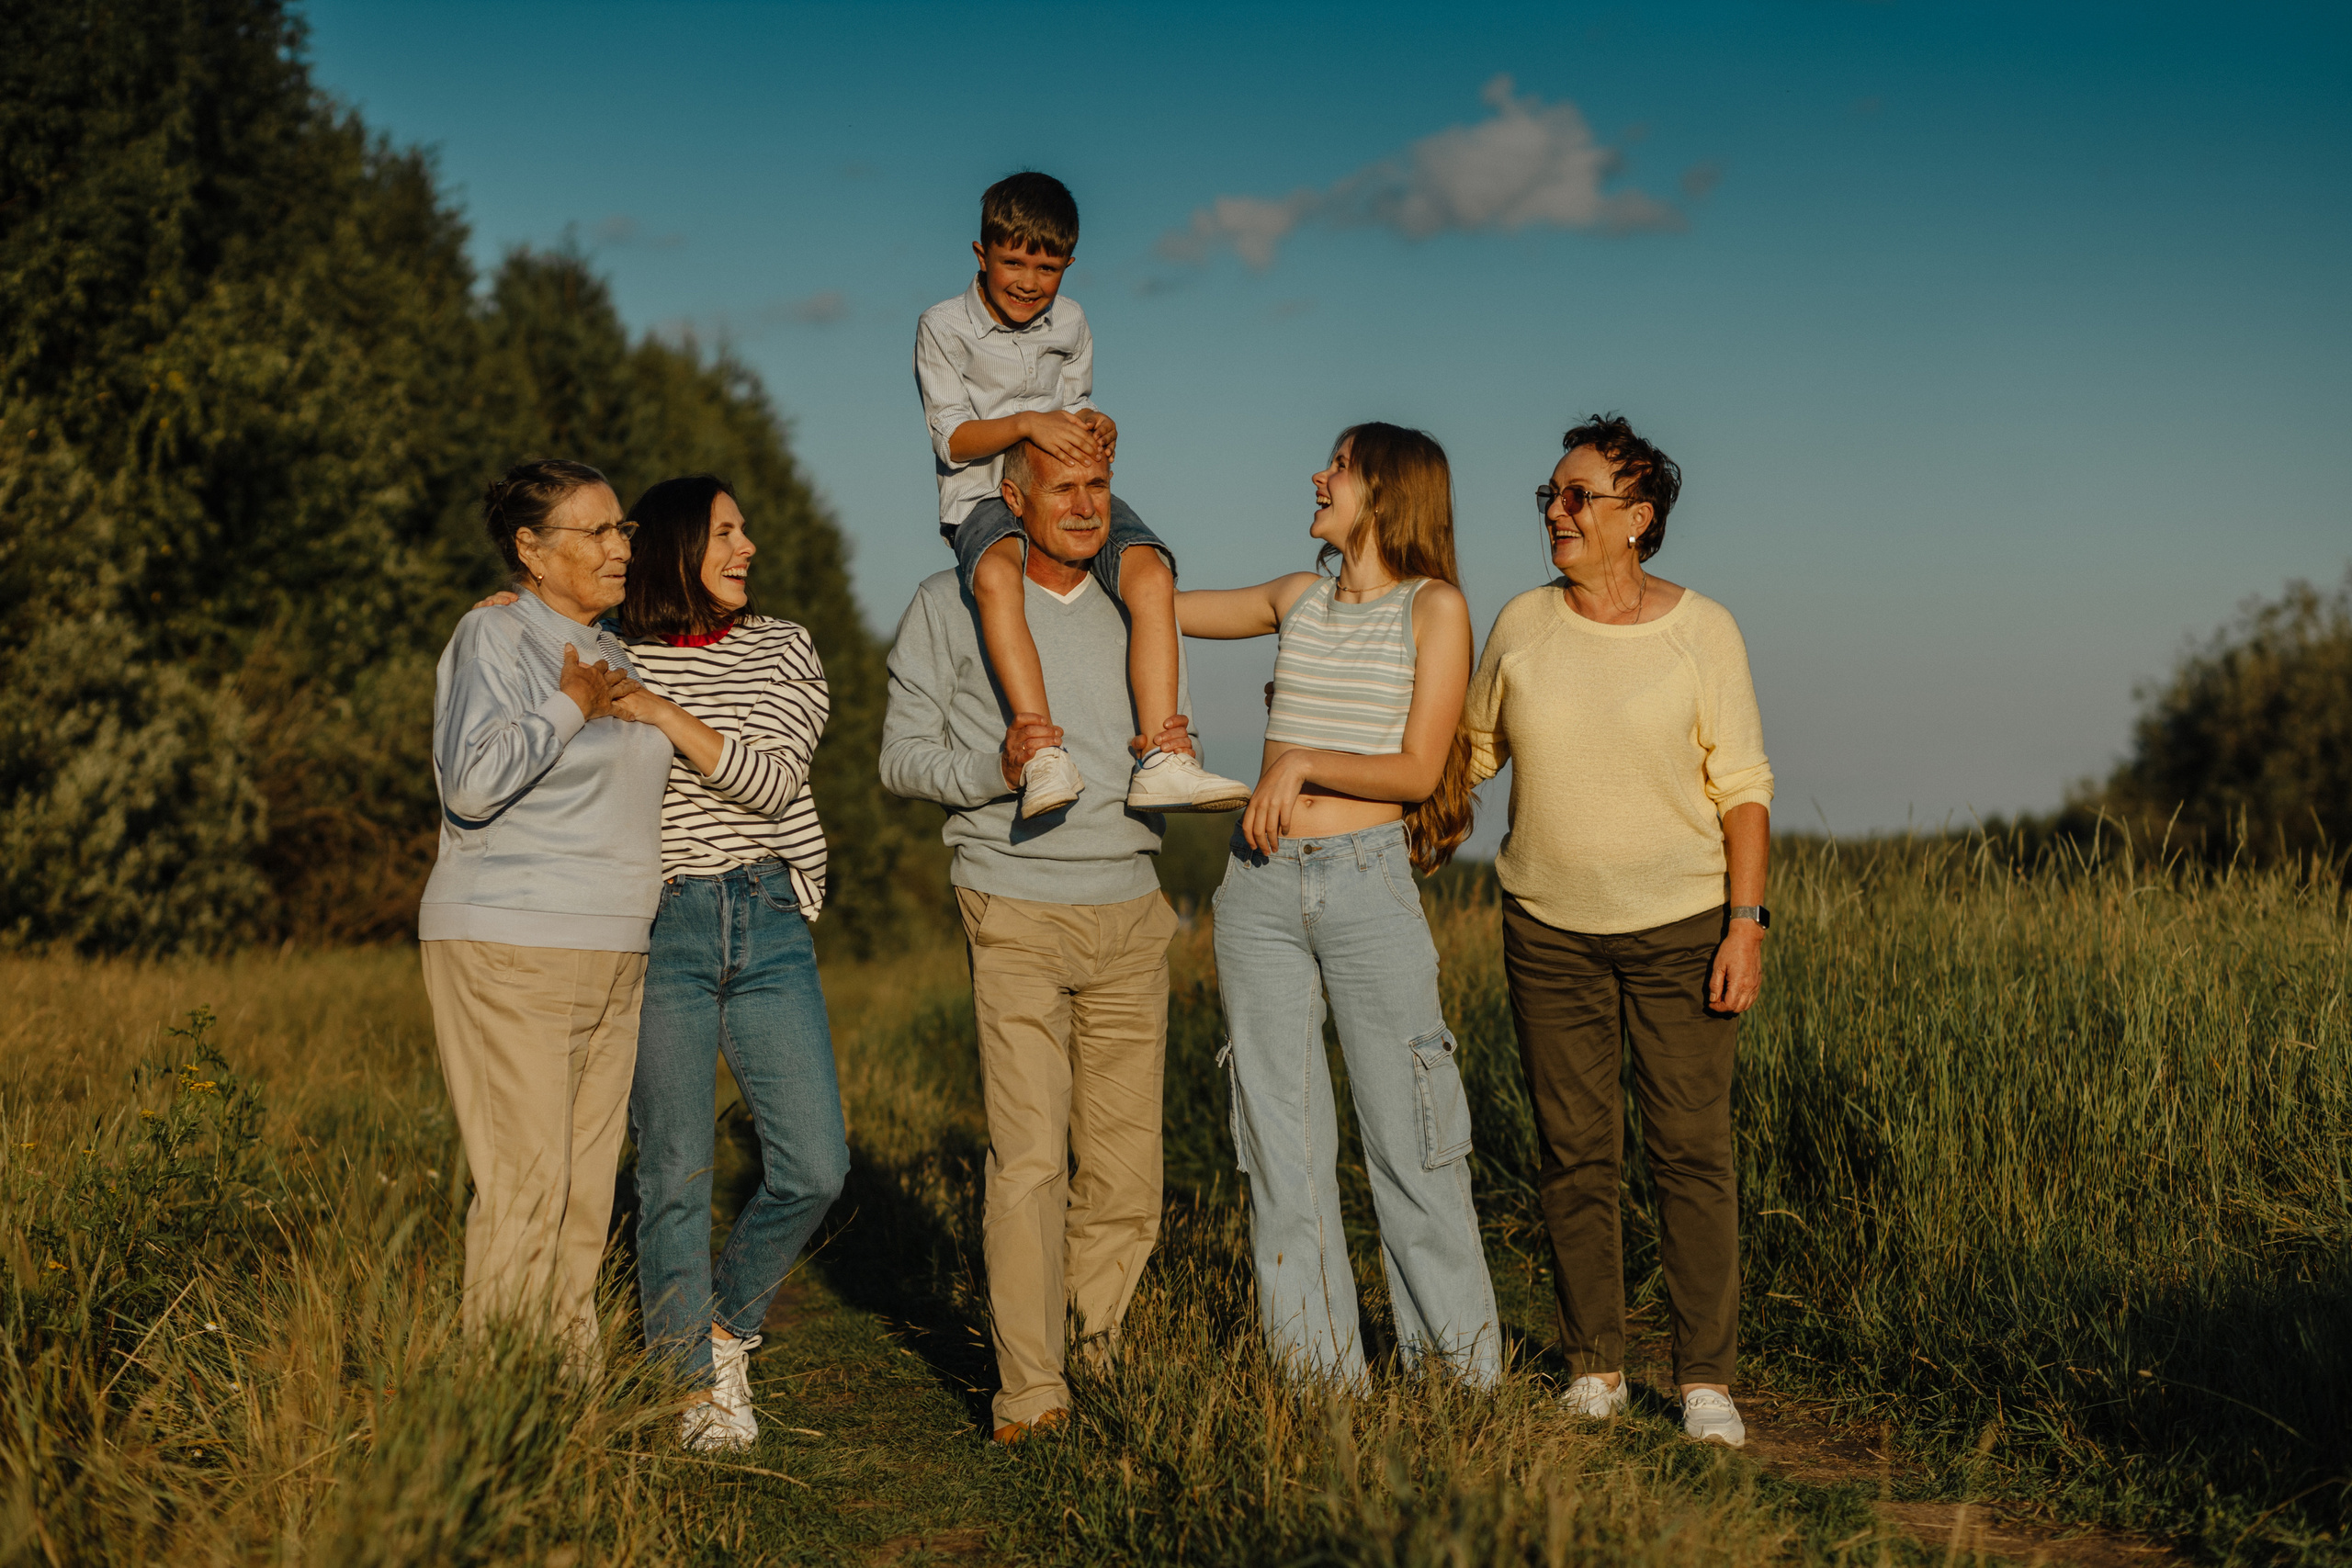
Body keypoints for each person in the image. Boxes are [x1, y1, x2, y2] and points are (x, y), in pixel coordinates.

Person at [1461, 414, 1773, 1448]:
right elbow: (1466, 754)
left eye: (1577, 496)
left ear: (1637, 517)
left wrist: (1745, 925)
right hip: (1547, 930)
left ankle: (1704, 1381)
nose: (1555, 511)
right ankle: (1593, 1364)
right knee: (1573, 1152)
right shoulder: (1522, 622)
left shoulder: (1705, 631)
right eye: (1549, 495)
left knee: (1689, 1152)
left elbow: (1743, 787)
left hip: (1683, 927)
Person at [1174, 423, 1500, 1388]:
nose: (1319, 476)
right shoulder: (1296, 597)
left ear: (1386, 491)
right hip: (1258, 886)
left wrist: (1301, 762)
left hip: (1366, 882)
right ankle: (1319, 1384)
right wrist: (1083, 531)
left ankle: (1460, 1381)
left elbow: (1417, 769)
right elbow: (1153, 600)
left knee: (1412, 1139)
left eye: (1341, 466)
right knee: (1281, 1148)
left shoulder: (1434, 607)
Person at [879, 435, 1188, 1444]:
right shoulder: (948, 603)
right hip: (1011, 903)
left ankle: (1097, 1358)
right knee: (1028, 1163)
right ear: (1013, 500)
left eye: (1100, 485)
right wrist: (996, 767)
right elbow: (900, 758)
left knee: (1127, 1171)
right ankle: (1031, 1393)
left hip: (1132, 905)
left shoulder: (1136, 600)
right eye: (1064, 487)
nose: (1087, 505)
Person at [605, 475, 849, 1454]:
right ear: (674, 547)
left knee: (816, 1164)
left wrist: (660, 715)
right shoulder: (612, 654)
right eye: (724, 532)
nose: (746, 546)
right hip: (659, 924)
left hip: (768, 914)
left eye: (744, 530)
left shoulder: (784, 647)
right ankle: (683, 1388)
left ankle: (724, 1326)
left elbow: (772, 779)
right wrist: (513, 608)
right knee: (672, 1170)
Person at [418, 458, 674, 1361]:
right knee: (526, 1191)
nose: (619, 547)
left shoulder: (616, 651)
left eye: (622, 529)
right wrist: (569, 705)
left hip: (615, 946)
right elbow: (472, 781)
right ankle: (503, 1399)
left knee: (584, 1197)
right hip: (512, 937)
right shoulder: (493, 635)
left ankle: (567, 1400)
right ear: (530, 549)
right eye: (595, 531)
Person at [914, 169, 1248, 818]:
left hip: (1064, 488)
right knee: (997, 577)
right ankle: (1042, 751)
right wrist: (1026, 423)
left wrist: (1097, 424)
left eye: (1047, 268)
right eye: (1013, 263)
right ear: (981, 255)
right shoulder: (942, 326)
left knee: (1152, 572)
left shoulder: (1070, 321)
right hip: (982, 496)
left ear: (1068, 265)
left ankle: (1162, 755)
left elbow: (1076, 410)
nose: (1028, 282)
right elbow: (952, 440)